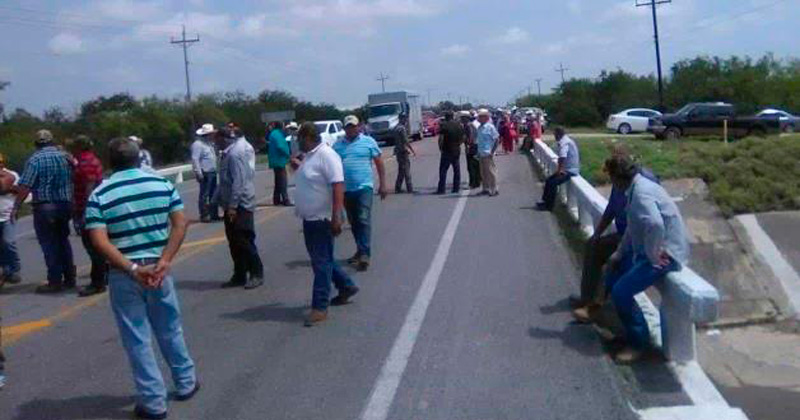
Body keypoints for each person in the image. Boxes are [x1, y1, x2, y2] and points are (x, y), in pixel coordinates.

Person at [85, 137, 198, 419]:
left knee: (137, 339)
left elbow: (99, 240)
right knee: (170, 328)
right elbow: (180, 224)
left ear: (110, 162)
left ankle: (154, 402)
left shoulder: (100, 194)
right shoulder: (162, 185)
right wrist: (165, 261)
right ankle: (186, 382)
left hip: (126, 274)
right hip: (159, 269)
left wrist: (133, 268)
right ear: (138, 158)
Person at [603, 154, 690, 363]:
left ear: (618, 178)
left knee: (621, 291)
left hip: (666, 254)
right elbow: (633, 227)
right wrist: (619, 253)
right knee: (613, 275)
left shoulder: (641, 193)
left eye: (611, 178)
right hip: (649, 250)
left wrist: (652, 256)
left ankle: (638, 343)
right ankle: (626, 331)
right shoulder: (635, 189)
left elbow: (655, 225)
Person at [570, 149, 659, 323]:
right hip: (624, 234)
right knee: (593, 246)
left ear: (620, 175)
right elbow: (611, 208)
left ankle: (597, 308)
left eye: (612, 177)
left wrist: (650, 250)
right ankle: (587, 299)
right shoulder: (620, 184)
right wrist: (597, 233)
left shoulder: (643, 185)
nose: (611, 181)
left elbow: (654, 222)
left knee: (613, 265)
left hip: (639, 239)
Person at [292, 122, 360, 327]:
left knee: (321, 263)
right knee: (322, 260)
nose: (297, 142)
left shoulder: (327, 155)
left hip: (322, 219)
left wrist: (337, 216)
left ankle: (320, 307)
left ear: (308, 138)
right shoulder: (310, 156)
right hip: (310, 219)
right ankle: (346, 285)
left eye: (299, 138)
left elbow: (338, 185)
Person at [12, 129, 76, 294]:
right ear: (52, 141)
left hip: (44, 207)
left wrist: (16, 207)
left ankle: (55, 280)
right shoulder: (65, 157)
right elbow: (76, 176)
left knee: (49, 244)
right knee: (63, 241)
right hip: (65, 204)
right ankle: (70, 277)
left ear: (36, 143)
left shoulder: (35, 160)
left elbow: (25, 185)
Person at [333, 115, 387, 272]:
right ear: (344, 129)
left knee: (363, 219)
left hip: (364, 188)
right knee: (354, 222)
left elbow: (379, 163)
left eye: (354, 126)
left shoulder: (368, 142)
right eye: (348, 126)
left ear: (359, 127)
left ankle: (364, 254)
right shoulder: (337, 146)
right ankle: (360, 249)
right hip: (346, 190)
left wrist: (383, 184)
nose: (351, 129)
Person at [216, 127, 265, 290]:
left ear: (224, 139)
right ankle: (239, 274)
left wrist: (233, 206)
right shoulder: (226, 154)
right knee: (234, 242)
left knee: (244, 240)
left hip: (241, 204)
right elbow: (224, 181)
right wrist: (216, 200)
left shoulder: (235, 154)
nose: (215, 143)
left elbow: (239, 182)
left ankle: (256, 273)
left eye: (217, 139)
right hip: (231, 204)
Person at [70, 135, 108, 297]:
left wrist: (87, 211)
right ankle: (104, 276)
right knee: (97, 246)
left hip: (88, 208)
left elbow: (89, 187)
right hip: (92, 206)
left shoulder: (86, 163)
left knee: (93, 247)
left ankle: (98, 282)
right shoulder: (89, 160)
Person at [537, 127, 580, 211]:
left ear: (558, 134)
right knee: (549, 180)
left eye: (555, 134)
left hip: (570, 170)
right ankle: (545, 202)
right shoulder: (566, 140)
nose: (554, 136)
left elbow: (562, 156)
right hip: (567, 168)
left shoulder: (565, 143)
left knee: (552, 183)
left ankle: (549, 206)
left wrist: (559, 170)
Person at [0, 153, 21, 287]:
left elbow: (21, 190)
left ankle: (14, 267)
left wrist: (10, 189)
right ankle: (6, 272)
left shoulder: (12, 175)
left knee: (8, 242)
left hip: (7, 215)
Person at [191, 124, 219, 222]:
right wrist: (198, 173)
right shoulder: (198, 144)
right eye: (211, 134)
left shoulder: (209, 143)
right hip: (205, 171)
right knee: (204, 194)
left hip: (212, 171)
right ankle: (204, 214)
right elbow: (195, 159)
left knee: (213, 193)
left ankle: (214, 213)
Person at [435, 111, 464, 195]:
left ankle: (441, 189)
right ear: (452, 116)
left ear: (446, 117)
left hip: (446, 150)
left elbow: (441, 138)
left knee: (443, 170)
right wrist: (458, 144)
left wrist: (440, 148)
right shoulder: (459, 125)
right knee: (456, 170)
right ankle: (456, 188)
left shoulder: (444, 125)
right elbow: (463, 138)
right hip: (456, 150)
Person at [475, 109, 500, 196]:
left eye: (480, 117)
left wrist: (492, 152)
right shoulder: (479, 128)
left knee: (491, 172)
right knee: (483, 172)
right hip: (481, 153)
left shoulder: (490, 127)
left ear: (486, 118)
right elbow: (479, 141)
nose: (478, 118)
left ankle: (494, 189)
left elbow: (497, 140)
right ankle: (486, 188)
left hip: (488, 153)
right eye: (479, 117)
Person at [268, 121, 292, 206]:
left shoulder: (273, 134)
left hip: (275, 160)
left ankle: (276, 199)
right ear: (281, 127)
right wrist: (288, 154)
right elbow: (281, 146)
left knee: (278, 181)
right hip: (279, 160)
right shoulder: (278, 135)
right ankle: (285, 199)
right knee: (283, 181)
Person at [393, 114, 416, 194]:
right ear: (401, 119)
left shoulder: (396, 127)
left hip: (398, 151)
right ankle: (410, 188)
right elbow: (405, 140)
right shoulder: (402, 128)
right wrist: (412, 150)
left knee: (401, 170)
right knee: (406, 170)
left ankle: (398, 187)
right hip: (403, 152)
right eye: (405, 119)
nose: (406, 120)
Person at [460, 112, 481, 189]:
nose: (461, 119)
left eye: (462, 118)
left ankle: (473, 183)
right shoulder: (471, 125)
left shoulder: (468, 126)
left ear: (466, 118)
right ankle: (477, 181)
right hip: (475, 146)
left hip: (472, 147)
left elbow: (470, 137)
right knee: (475, 165)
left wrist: (468, 146)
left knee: (471, 166)